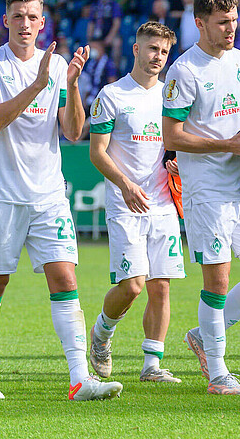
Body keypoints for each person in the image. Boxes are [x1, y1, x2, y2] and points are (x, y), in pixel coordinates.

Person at [0, 0, 120, 400]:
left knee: (65, 277)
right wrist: (37, 87)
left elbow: (73, 131)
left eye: (32, 17)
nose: (25, 24)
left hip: (49, 193)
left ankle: (79, 378)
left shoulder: (55, 67)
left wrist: (70, 85)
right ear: (5, 20)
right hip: (1, 194)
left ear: (42, 24)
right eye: (17, 16)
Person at [161, 0, 240, 396]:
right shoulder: (184, 70)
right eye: (223, 22)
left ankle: (202, 337)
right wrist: (227, 144)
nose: (231, 29)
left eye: (235, 20)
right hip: (206, 189)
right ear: (200, 23)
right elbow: (171, 136)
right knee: (218, 281)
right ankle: (218, 372)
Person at [87, 22, 184, 384]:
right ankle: (102, 334)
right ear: (136, 49)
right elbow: (97, 153)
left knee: (161, 284)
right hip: (125, 202)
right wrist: (125, 184)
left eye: (163, 51)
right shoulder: (112, 95)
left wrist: (176, 163)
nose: (157, 56)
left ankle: (152, 365)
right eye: (151, 48)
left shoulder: (171, 96)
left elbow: (174, 145)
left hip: (162, 204)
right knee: (132, 285)